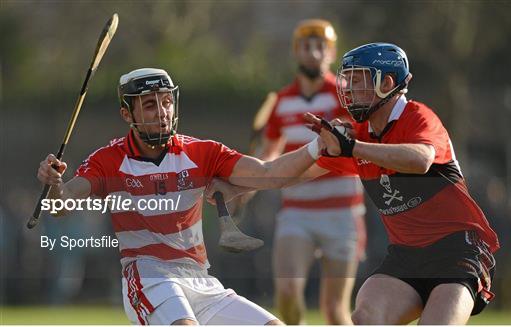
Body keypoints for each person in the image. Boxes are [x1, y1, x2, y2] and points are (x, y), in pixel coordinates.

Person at [208, 43, 500, 325]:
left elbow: (420, 159)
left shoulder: (417, 117)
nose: (348, 90)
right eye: (347, 81)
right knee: (366, 316)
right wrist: (237, 187)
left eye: (358, 82)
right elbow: (287, 174)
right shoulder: (360, 135)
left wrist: (353, 147)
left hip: (457, 252)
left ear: (386, 82)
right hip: (406, 257)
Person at [37, 68, 328, 325]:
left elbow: (269, 173)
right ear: (127, 114)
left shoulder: (202, 152)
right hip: (149, 275)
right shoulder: (109, 160)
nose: (162, 112)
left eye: (166, 102)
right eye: (150, 105)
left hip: (200, 279)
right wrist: (54, 183)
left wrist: (319, 146)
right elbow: (62, 204)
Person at [245, 19, 366, 325]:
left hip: (342, 214)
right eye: (306, 46)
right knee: (286, 290)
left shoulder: (343, 96)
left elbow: (346, 146)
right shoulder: (282, 101)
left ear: (331, 52)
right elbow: (269, 157)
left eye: (320, 46)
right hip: (296, 213)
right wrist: (246, 181)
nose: (313, 53)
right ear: (296, 51)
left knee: (335, 310)